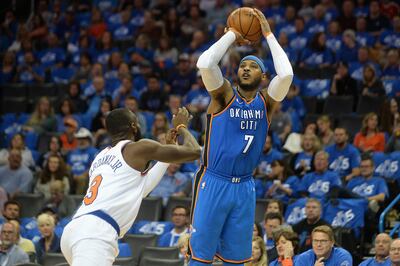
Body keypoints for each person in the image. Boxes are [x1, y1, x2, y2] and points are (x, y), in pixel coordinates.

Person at [189, 8, 293, 265]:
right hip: (214, 181)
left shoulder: (266, 102)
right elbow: (205, 63)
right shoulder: (224, 95)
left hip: (245, 186)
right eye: (243, 66)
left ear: (263, 76)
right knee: (199, 258)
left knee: (236, 261)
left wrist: (268, 34)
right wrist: (233, 35)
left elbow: (287, 74)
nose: (246, 69)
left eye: (253, 66)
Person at [61, 107, 201, 265]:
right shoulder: (138, 147)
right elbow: (194, 151)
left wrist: (165, 157)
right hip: (96, 233)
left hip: (76, 229)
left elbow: (140, 191)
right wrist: (182, 126)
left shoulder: (100, 156)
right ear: (134, 126)